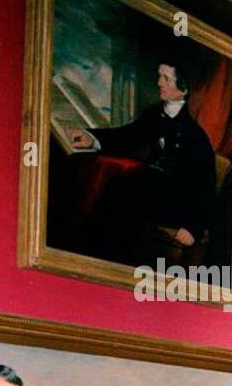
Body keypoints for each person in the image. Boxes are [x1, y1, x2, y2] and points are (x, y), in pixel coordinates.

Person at [67, 58, 217, 264]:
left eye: (166, 79)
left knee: (129, 195)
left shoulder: (196, 136)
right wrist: (91, 138)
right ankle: (87, 257)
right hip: (148, 186)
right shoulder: (154, 114)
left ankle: (110, 261)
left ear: (183, 90)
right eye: (159, 77)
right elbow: (127, 135)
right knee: (117, 187)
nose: (159, 83)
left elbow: (205, 185)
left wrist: (193, 227)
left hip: (176, 203)